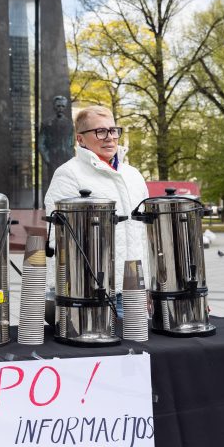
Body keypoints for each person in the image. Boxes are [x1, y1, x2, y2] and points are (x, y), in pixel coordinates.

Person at [44, 105, 149, 318]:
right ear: (80, 139)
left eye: (113, 130)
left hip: (135, 290)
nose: (109, 137)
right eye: (100, 131)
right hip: (93, 292)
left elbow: (144, 234)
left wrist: (150, 284)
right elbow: (58, 239)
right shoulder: (68, 174)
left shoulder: (133, 175)